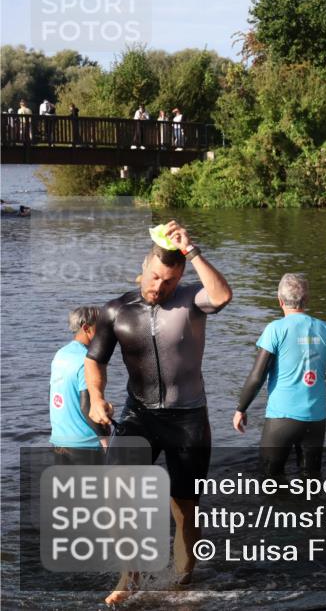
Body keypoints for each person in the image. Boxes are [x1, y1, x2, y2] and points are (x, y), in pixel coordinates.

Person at [85, 220, 232, 605]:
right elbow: (94, 360)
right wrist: (97, 398)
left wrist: (192, 250)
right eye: (153, 277)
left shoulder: (191, 299)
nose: (158, 287)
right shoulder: (116, 310)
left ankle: (182, 581)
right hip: (140, 414)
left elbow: (222, 296)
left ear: (179, 275)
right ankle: (128, 577)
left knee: (185, 509)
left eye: (167, 281)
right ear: (144, 267)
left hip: (188, 421)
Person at [233, 273, 326, 478]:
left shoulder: (275, 330)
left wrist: (241, 409)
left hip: (282, 418)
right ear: (306, 300)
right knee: (311, 480)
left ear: (279, 301)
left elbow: (257, 376)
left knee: (269, 480)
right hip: (316, 420)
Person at [50, 306, 108, 465]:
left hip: (60, 441)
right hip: (85, 444)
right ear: (86, 328)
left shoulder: (60, 354)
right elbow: (86, 405)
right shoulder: (87, 359)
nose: (106, 332)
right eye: (101, 327)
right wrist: (104, 440)